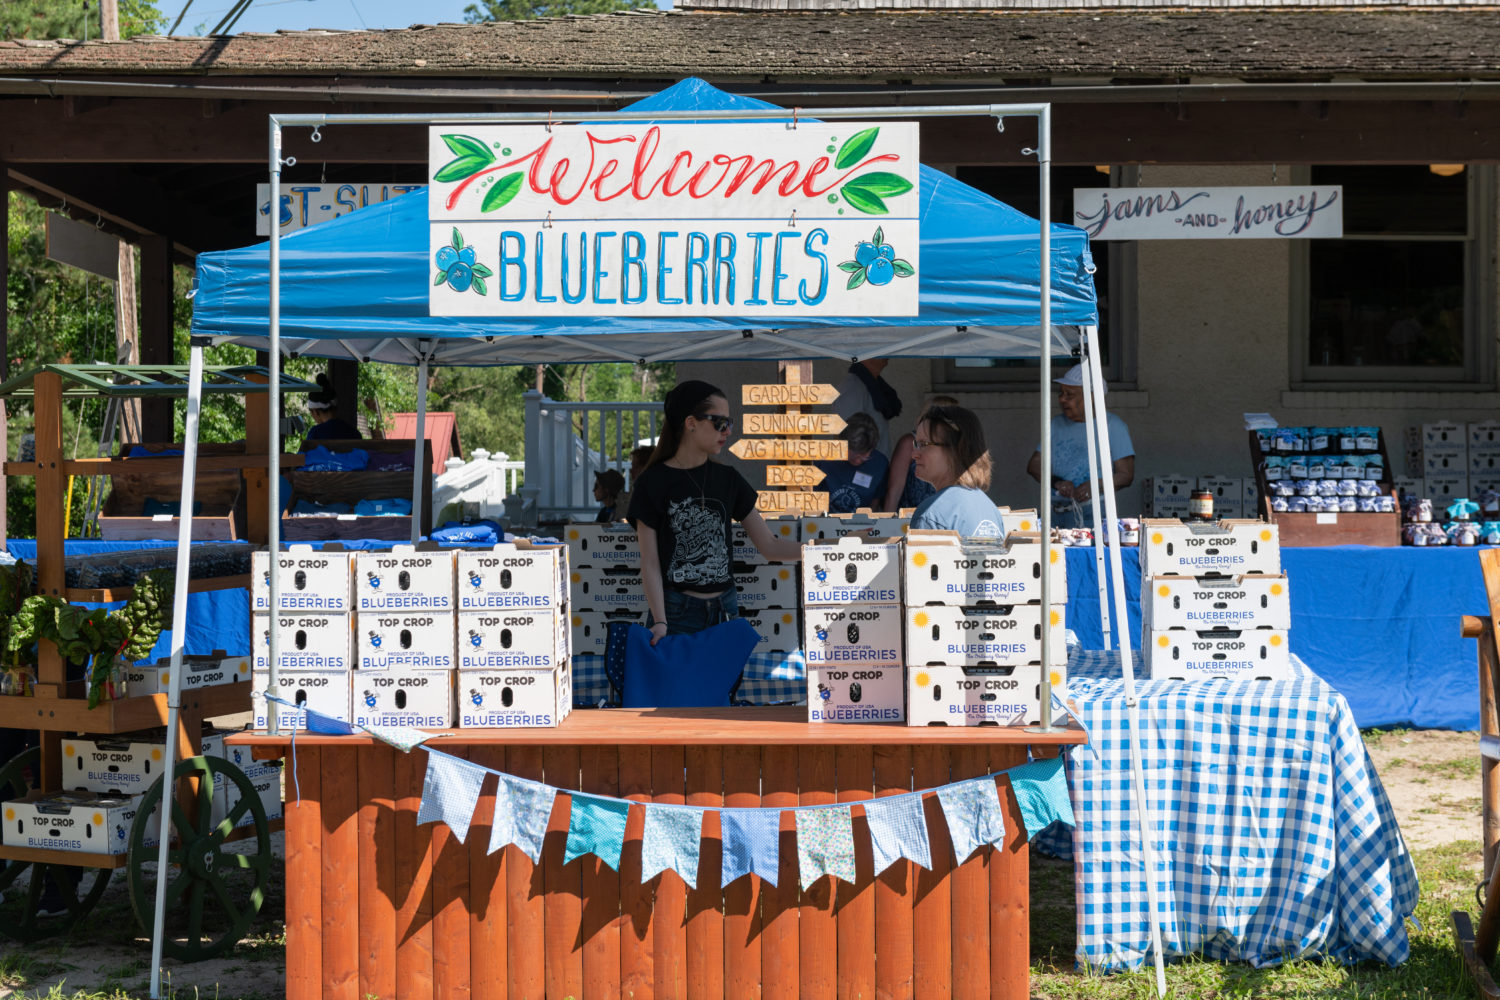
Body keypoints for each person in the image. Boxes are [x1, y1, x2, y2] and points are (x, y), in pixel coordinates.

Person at [628, 380, 801, 645]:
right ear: (691, 423)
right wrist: (661, 621)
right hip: (676, 613)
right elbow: (649, 561)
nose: (727, 431)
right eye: (719, 422)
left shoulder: (728, 479)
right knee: (680, 688)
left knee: (724, 687)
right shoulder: (652, 482)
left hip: (725, 611)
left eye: (729, 422)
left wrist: (830, 549)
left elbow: (769, 545)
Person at [1025, 364, 1135, 528]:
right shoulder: (1055, 424)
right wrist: (1057, 482)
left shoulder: (1112, 426)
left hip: (1093, 512)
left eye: (1069, 394)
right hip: (1055, 511)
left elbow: (1126, 475)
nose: (1062, 399)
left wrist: (1095, 485)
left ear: (1092, 397)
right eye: (1061, 393)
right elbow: (1034, 465)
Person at [908, 404, 1003, 537]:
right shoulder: (990, 509)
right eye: (916, 444)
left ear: (956, 449)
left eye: (924, 444)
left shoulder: (931, 514)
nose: (914, 454)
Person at [882, 394, 958, 512]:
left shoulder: (955, 445)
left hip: (946, 517)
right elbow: (894, 491)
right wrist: (886, 525)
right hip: (910, 521)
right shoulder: (909, 443)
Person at [817, 412, 889, 513]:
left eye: (864, 457)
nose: (858, 461)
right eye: (852, 456)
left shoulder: (879, 464)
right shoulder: (824, 458)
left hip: (861, 524)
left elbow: (874, 505)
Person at [833, 358, 901, 458]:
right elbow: (843, 437)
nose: (887, 355)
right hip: (862, 469)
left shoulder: (872, 385)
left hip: (874, 467)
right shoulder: (852, 387)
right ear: (866, 356)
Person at [304, 373, 362, 441]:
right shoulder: (354, 433)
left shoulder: (315, 434)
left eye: (311, 413)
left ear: (316, 412)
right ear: (336, 408)